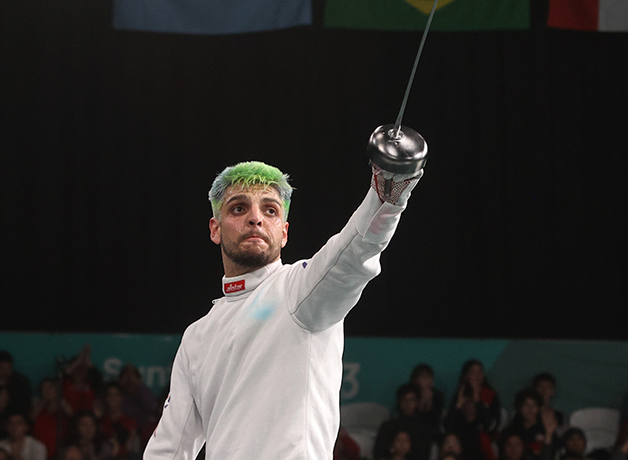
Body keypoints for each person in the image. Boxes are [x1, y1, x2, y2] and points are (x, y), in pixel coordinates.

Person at [143, 160, 423, 459]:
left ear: (284, 232)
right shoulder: (197, 336)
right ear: (215, 228)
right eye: (239, 209)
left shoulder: (299, 289)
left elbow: (352, 255)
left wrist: (387, 195)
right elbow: (169, 449)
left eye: (270, 210)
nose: (255, 219)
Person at [443, 360, 501, 460]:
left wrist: (478, 401)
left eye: (480, 372)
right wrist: (459, 404)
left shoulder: (491, 395)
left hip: (482, 447)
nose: (477, 375)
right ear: (466, 376)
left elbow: (492, 425)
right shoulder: (459, 394)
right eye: (473, 372)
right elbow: (447, 427)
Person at [374, 384, 436, 460]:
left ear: (417, 402)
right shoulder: (388, 426)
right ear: (399, 402)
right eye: (404, 400)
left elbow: (424, 454)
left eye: (411, 400)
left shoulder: (423, 428)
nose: (408, 404)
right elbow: (378, 453)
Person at [31, 378, 73, 460]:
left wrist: (61, 402)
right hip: (40, 450)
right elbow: (31, 418)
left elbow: (73, 416)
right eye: (44, 388)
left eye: (50, 388)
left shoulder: (63, 405)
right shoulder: (37, 405)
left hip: (60, 450)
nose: (47, 391)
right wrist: (43, 401)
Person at [97, 383, 139, 460]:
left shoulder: (130, 421)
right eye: (110, 395)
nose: (113, 398)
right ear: (105, 398)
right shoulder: (101, 422)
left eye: (116, 395)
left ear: (121, 397)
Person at [117, 365, 157, 443]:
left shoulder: (144, 392)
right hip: (125, 430)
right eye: (126, 377)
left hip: (144, 429)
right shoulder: (119, 394)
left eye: (132, 376)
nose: (130, 380)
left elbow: (152, 407)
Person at [501, 389, 547, 457]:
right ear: (519, 408)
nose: (530, 409)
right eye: (526, 405)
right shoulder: (509, 431)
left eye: (534, 405)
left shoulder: (546, 429)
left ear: (539, 408)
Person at [63, 346, 102, 416]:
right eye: (78, 368)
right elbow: (63, 375)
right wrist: (77, 361)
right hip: (69, 419)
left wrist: (88, 362)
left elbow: (99, 379)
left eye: (84, 368)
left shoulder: (92, 384)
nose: (80, 371)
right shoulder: (65, 383)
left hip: (88, 422)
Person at [410, 364, 445, 430]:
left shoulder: (438, 395)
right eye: (424, 377)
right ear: (415, 380)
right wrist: (422, 402)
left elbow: (436, 420)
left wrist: (429, 404)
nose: (428, 380)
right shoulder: (410, 394)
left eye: (430, 377)